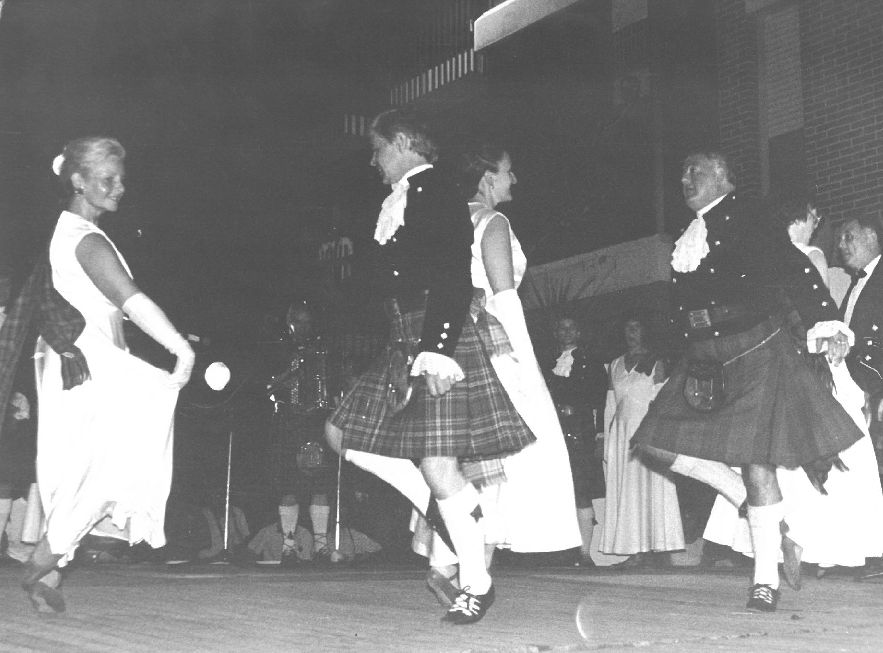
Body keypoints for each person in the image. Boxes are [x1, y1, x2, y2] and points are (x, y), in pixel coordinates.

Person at [325, 110, 535, 624]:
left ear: (401, 143)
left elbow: (448, 276)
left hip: (435, 335)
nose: (374, 161)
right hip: (403, 336)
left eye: (377, 150)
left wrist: (438, 350)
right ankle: (457, 509)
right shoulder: (399, 200)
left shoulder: (435, 189)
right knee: (340, 433)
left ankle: (476, 582)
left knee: (439, 463)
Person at [632, 150, 863, 612]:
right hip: (702, 355)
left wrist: (828, 323)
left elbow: (793, 265)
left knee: (758, 463)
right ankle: (758, 511)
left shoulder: (748, 214)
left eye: (694, 171)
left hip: (753, 343)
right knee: (653, 442)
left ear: (721, 176)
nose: (684, 178)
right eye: (681, 172)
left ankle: (765, 579)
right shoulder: (689, 234)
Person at [23, 137, 195, 613]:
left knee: (79, 465)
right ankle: (42, 560)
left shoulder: (69, 231)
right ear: (77, 181)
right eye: (107, 180)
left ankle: (48, 572)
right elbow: (131, 300)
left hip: (74, 361)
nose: (119, 188)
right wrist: (179, 349)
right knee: (109, 458)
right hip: (90, 364)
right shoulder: (86, 239)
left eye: (121, 179)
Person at [412, 143, 581, 599]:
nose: (514, 181)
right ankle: (467, 569)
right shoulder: (493, 222)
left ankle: (445, 558)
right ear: (487, 177)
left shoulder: (448, 219)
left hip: (452, 347)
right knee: (500, 458)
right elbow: (504, 298)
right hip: (492, 347)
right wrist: (525, 365)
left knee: (461, 455)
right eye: (508, 172)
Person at [703, 195, 883, 576]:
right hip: (811, 362)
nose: (838, 242)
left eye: (849, 236)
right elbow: (814, 320)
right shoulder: (803, 259)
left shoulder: (785, 260)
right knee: (829, 457)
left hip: (830, 367)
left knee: (819, 457)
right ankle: (826, 546)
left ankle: (815, 543)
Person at [600, 314, 684, 564]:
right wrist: (605, 439)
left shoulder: (656, 362)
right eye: (627, 328)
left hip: (648, 432)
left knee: (654, 489)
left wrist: (659, 435)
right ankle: (636, 550)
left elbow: (663, 402)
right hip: (622, 436)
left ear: (645, 331)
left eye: (636, 327)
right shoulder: (615, 364)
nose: (631, 333)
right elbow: (610, 405)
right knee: (629, 493)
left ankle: (660, 550)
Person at [267, 301, 336, 566]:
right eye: (300, 322)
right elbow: (268, 385)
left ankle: (320, 546)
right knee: (288, 485)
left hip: (316, 419)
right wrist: (292, 371)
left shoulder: (322, 349)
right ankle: (288, 547)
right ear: (290, 322)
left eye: (309, 322)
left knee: (319, 482)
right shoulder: (279, 349)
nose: (304, 328)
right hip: (288, 420)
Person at [544, 315, 608, 565]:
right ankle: (559, 550)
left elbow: (599, 400)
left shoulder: (590, 362)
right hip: (553, 434)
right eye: (562, 327)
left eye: (572, 327)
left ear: (579, 332)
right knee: (558, 492)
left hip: (580, 433)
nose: (566, 331)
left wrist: (598, 434)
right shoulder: (547, 362)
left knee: (582, 491)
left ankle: (584, 552)